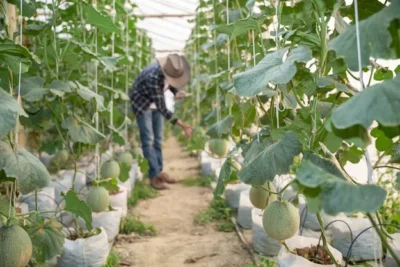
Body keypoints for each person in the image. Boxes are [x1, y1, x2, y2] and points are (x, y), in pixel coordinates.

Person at [130, 54, 193, 190]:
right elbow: (163, 109)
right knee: (148, 140)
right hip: (142, 104)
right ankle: (154, 177)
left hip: (154, 103)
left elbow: (168, 83)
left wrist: (176, 92)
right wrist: (182, 125)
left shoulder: (167, 71)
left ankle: (159, 171)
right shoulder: (152, 77)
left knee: (158, 139)